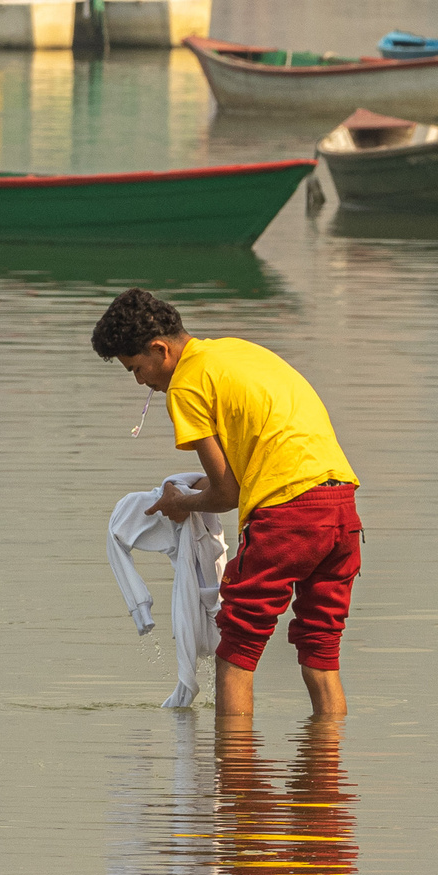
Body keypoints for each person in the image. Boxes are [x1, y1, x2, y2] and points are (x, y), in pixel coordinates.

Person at [93, 289, 363, 720]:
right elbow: (246, 467)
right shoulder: (236, 353)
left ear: (159, 349)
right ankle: (328, 756)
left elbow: (226, 494)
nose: (140, 382)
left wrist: (184, 504)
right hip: (341, 508)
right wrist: (189, 492)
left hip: (288, 516)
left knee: (235, 648)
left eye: (136, 368)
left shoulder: (185, 385)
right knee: (321, 648)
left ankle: (233, 761)